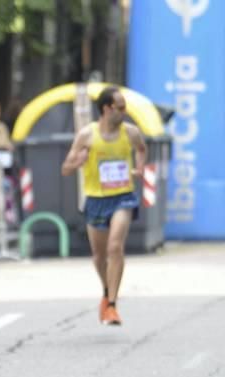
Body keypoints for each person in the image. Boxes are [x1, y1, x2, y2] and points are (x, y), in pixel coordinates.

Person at [61, 86, 146, 325]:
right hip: (96, 199)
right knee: (99, 256)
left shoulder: (131, 132)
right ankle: (107, 290)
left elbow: (141, 149)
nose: (124, 111)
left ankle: (112, 304)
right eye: (120, 107)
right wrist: (77, 161)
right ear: (106, 109)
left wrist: (139, 167)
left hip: (123, 196)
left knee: (114, 247)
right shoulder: (87, 135)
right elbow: (65, 169)